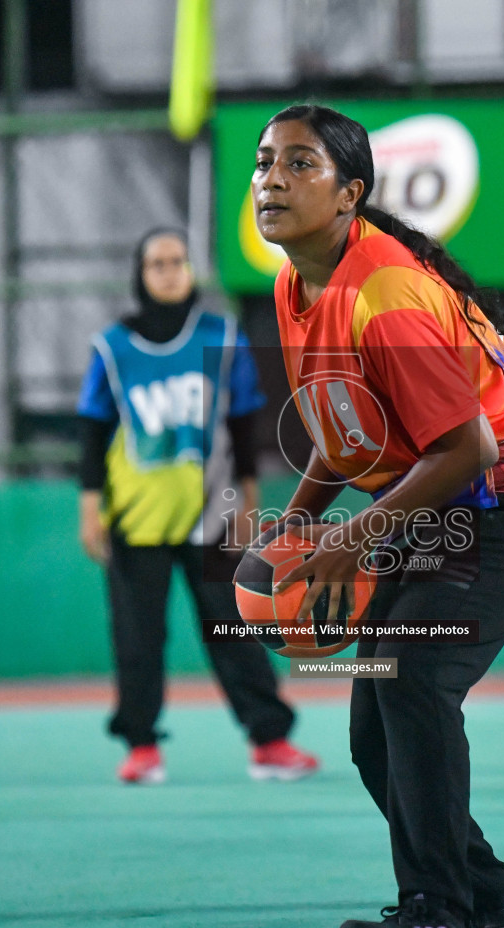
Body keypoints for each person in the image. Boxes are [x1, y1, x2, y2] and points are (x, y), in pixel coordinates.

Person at [252, 104, 504, 928]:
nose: (272, 180)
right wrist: (298, 521)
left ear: (350, 193)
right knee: (374, 734)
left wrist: (347, 544)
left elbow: (468, 450)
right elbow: (345, 425)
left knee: (413, 678)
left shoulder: (389, 293)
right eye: (264, 163)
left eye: (299, 165)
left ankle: (439, 920)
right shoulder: (296, 285)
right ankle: (494, 907)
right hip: (431, 509)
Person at [77, 227, 321, 785]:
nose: (169, 271)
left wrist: (249, 494)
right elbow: (92, 432)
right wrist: (91, 507)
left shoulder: (222, 337)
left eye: (178, 261)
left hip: (214, 511)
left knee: (235, 629)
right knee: (137, 637)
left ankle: (270, 740)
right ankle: (141, 746)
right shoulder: (112, 348)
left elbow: (242, 421)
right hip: (137, 519)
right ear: (140, 274)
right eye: (157, 262)